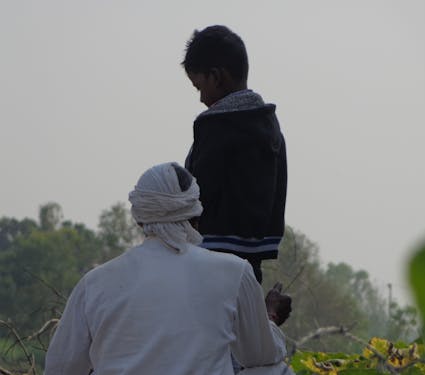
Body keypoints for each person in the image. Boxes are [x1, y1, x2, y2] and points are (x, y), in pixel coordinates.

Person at [44, 162, 293, 375]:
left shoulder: (95, 282)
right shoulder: (234, 271)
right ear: (196, 214)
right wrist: (269, 317)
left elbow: (61, 367)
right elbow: (259, 355)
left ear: (140, 218)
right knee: (275, 370)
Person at [182, 25, 287, 284]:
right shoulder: (270, 127)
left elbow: (198, 192)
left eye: (199, 87)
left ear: (217, 77)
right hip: (251, 262)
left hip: (211, 260)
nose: (200, 98)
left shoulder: (216, 126)